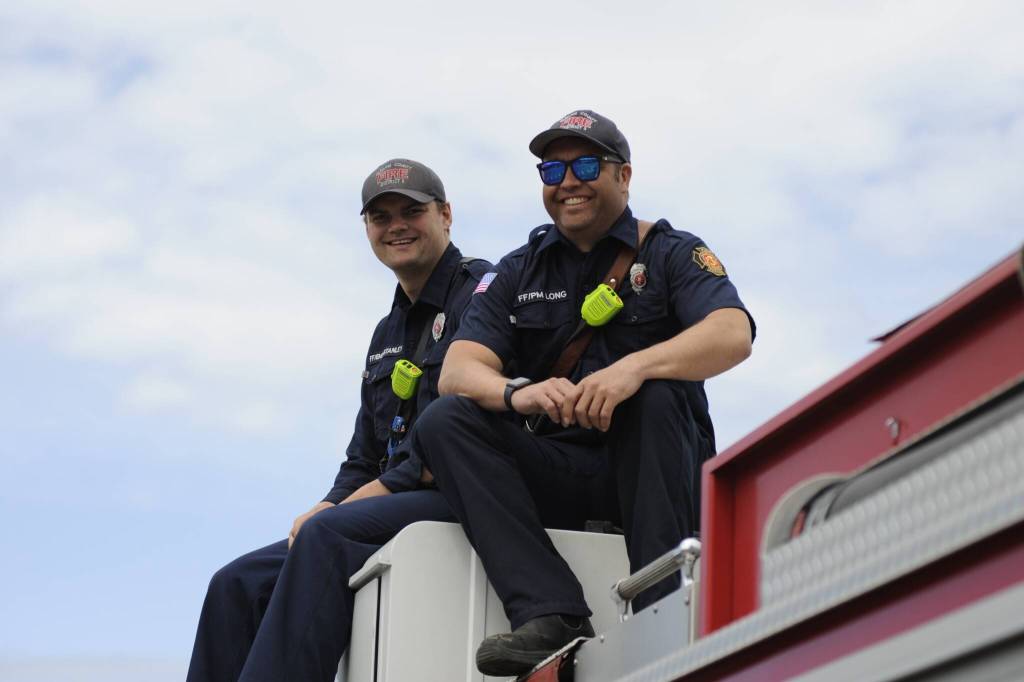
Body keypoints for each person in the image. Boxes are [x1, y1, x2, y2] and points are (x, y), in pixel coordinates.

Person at [410, 110, 756, 676]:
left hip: (657, 476)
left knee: (655, 394)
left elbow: (732, 333)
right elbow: (458, 367)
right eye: (552, 169)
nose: (568, 181)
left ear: (624, 176)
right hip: (563, 469)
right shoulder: (519, 270)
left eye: (586, 165)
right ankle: (552, 612)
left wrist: (635, 368)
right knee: (445, 419)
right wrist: (518, 392)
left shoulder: (668, 253)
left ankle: (663, 604)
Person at [186, 159, 492, 682]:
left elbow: (462, 429)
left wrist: (346, 507)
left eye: (411, 211)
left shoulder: (484, 292)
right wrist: (329, 501)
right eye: (380, 216)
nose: (396, 225)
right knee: (235, 583)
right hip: (389, 501)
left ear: (446, 215)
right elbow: (363, 455)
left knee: (326, 535)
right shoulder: (386, 332)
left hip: (468, 491)